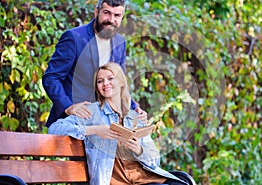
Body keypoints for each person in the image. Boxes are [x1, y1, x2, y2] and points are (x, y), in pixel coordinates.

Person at [48, 62, 188, 185]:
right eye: (100, 81)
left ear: (121, 82)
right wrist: (94, 130)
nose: (105, 84)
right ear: (97, 87)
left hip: (144, 179)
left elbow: (155, 161)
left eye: (110, 78)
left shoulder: (134, 117)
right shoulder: (91, 112)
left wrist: (139, 150)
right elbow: (55, 128)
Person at [42, 0, 146, 128]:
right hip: (71, 123)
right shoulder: (74, 38)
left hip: (104, 125)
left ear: (122, 17)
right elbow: (51, 77)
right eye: (107, 13)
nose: (111, 19)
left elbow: (119, 84)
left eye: (117, 15)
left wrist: (135, 109)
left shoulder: (120, 43)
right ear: (96, 12)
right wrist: (68, 107)